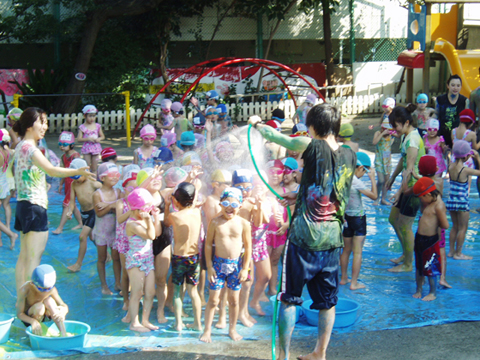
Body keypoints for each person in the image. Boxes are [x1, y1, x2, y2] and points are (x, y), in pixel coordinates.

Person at [248, 103, 356, 360]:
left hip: (304, 239)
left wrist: (256, 124)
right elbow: (329, 191)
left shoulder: (312, 145)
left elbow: (277, 137)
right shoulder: (349, 154)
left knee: (289, 300)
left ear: (313, 127)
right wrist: (298, 195)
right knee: (327, 302)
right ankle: (320, 353)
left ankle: (284, 355)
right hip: (332, 239)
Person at [13, 108, 94, 292]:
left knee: (24, 256)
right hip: (34, 206)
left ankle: (21, 297)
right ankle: (30, 301)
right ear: (28, 125)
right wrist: (77, 171)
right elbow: (52, 170)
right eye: (41, 122)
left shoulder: (19, 146)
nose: (45, 127)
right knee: (34, 257)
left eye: (46, 123)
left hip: (23, 204)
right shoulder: (31, 149)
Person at [200, 187, 252, 343]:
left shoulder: (243, 223)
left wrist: (244, 268)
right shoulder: (215, 222)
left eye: (234, 204)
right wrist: (209, 267)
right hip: (218, 265)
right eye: (226, 203)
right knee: (214, 300)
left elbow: (248, 247)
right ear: (221, 204)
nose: (230, 207)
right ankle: (207, 330)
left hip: (236, 266)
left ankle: (232, 329)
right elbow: (208, 245)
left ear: (240, 206)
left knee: (234, 300)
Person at [386, 104, 425, 272]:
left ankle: (409, 264)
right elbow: (402, 160)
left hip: (413, 188)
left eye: (396, 125)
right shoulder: (406, 136)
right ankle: (406, 254)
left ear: (407, 122)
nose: (394, 129)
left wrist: (398, 191)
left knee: (405, 225)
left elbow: (409, 170)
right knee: (393, 220)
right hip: (406, 186)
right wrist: (393, 178)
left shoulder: (413, 141)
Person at [164, 182, 203, 332]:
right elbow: (192, 203)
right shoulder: (197, 212)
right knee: (193, 292)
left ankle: (178, 324)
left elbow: (166, 222)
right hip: (193, 257)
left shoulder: (174, 216)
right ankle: (198, 324)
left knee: (178, 292)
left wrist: (167, 205)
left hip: (179, 257)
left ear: (175, 200)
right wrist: (196, 190)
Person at [125, 188, 161, 332]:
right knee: (137, 293)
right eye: (146, 208)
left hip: (148, 260)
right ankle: (134, 322)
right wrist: (148, 219)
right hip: (136, 262)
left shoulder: (144, 219)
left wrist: (155, 218)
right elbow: (150, 236)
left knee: (150, 292)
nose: (148, 211)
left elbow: (157, 233)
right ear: (136, 209)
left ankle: (145, 320)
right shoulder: (132, 224)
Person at [340, 152, 377, 290]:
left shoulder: (342, 178)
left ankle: (344, 278)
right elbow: (374, 196)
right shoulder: (355, 181)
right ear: (360, 168)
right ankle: (354, 283)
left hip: (346, 217)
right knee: (358, 252)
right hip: (358, 218)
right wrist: (372, 178)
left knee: (346, 250)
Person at [412, 177, 449, 301]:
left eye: (421, 197)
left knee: (430, 267)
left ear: (428, 194)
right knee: (419, 266)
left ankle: (432, 292)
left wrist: (434, 223)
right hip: (420, 239)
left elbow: (445, 225)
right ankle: (418, 289)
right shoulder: (429, 202)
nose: (421, 201)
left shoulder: (438, 206)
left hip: (430, 241)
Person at [66, 158, 102, 273]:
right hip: (84, 213)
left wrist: (98, 183)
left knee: (82, 237)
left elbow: (103, 188)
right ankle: (106, 255)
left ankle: (78, 264)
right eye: (73, 177)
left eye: (78, 177)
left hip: (93, 212)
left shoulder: (92, 182)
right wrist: (70, 211)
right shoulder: (74, 184)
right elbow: (72, 202)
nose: (76, 180)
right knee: (91, 237)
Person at [446, 140, 480, 260]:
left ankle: (450, 251)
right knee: (463, 228)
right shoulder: (465, 170)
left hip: (451, 201)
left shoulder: (450, 166)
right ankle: (458, 253)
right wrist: (477, 157)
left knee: (454, 226)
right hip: (462, 202)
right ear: (466, 156)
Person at [92, 163, 122, 294]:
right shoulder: (97, 195)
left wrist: (107, 206)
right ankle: (104, 285)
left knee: (116, 257)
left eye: (117, 175)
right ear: (102, 178)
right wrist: (112, 206)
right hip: (102, 231)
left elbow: (120, 208)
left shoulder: (118, 192)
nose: (115, 178)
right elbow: (99, 213)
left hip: (115, 231)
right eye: (112, 176)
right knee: (102, 258)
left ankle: (118, 282)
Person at [115, 166, 140, 321]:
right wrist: (131, 210)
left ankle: (136, 298)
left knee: (136, 272)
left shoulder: (140, 203)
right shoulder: (120, 203)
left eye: (136, 188)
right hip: (124, 242)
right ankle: (125, 298)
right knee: (126, 272)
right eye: (130, 188)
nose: (133, 191)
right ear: (123, 189)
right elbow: (119, 219)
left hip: (136, 242)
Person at [16, 265, 69, 336]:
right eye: (42, 289)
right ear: (32, 284)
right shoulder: (25, 289)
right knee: (39, 307)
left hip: (43, 316)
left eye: (48, 288)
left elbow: (63, 305)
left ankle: (63, 333)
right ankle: (37, 333)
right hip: (30, 318)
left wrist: (64, 311)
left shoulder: (52, 289)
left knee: (49, 301)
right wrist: (33, 321)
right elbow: (19, 314)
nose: (45, 291)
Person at [52, 131, 82, 235]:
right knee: (72, 205)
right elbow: (63, 171)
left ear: (72, 145)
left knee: (66, 205)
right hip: (67, 184)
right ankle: (81, 223)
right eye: (60, 144)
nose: (62, 147)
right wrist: (61, 184)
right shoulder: (63, 157)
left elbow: (80, 170)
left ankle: (60, 228)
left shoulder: (75, 156)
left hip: (74, 184)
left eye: (65, 145)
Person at [436, 74, 470, 149]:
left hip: (458, 137)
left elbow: (467, 121)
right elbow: (436, 115)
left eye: (458, 85)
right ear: (448, 86)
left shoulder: (464, 101)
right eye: (453, 85)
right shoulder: (440, 99)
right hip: (442, 136)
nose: (455, 88)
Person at [451, 109, 478, 190]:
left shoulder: (453, 131)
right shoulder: (471, 134)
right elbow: (475, 147)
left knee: (455, 183)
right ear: (470, 123)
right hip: (466, 160)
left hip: (455, 159)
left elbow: (454, 146)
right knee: (467, 187)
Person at [372, 117, 396, 205]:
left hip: (387, 161)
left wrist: (392, 132)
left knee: (386, 181)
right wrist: (382, 134)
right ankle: (376, 198)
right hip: (379, 160)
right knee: (381, 180)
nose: (388, 132)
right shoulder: (378, 133)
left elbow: (400, 134)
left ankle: (383, 199)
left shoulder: (391, 135)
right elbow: (374, 142)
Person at [0, 129, 17, 249]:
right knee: (6, 206)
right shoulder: (9, 152)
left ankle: (11, 234)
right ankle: (0, 241)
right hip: (4, 183)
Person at [77, 105, 105, 174]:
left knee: (94, 167)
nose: (92, 118)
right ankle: (87, 181)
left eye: (94, 116)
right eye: (90, 116)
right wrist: (87, 139)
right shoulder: (82, 127)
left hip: (96, 148)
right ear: (85, 116)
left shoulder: (97, 126)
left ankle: (94, 180)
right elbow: (79, 139)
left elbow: (103, 136)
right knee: (87, 166)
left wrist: (99, 139)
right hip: (87, 148)